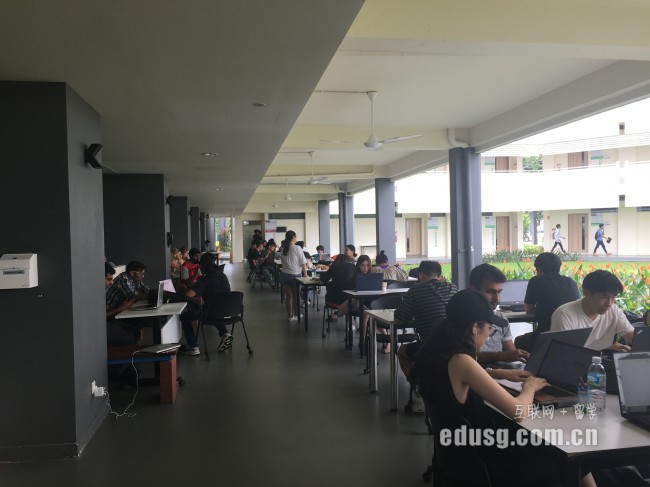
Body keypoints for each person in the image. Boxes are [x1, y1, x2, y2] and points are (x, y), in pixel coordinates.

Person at [414, 289, 596, 487]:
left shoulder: (435, 352)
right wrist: (530, 387)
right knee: (564, 452)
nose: (488, 334)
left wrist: (500, 373)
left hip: (457, 457)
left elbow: (457, 378)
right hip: (488, 461)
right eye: (489, 328)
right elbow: (519, 411)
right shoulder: (462, 361)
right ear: (475, 328)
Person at [395, 260, 457, 381]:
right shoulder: (453, 287)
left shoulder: (416, 289)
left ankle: (418, 385)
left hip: (431, 347)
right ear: (439, 275)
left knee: (401, 351)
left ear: (420, 275)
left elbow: (400, 318)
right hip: (455, 345)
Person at [550, 269, 634, 351]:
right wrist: (605, 351)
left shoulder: (613, 311)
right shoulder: (564, 314)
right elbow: (564, 354)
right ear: (586, 293)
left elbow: (632, 336)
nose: (609, 303)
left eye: (613, 297)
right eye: (604, 297)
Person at [514, 252, 581, 352]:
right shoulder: (571, 282)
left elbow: (528, 310)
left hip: (548, 336)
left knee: (518, 341)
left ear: (539, 269)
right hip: (573, 336)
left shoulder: (536, 281)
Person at [469, 264, 530, 370]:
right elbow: (463, 357)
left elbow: (512, 355)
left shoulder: (500, 318)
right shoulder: (462, 319)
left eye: (499, 292)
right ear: (474, 290)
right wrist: (500, 356)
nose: (497, 298)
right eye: (490, 292)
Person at [180, 252, 232, 355]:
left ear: (203, 266)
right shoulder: (223, 276)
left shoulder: (204, 280)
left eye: (199, 265)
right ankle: (225, 333)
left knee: (185, 316)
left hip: (211, 313)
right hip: (227, 311)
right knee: (214, 309)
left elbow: (188, 295)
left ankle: (193, 347)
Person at [104, 263, 140, 346]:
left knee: (135, 330)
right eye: (109, 279)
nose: (111, 283)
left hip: (108, 321)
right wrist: (121, 308)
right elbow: (101, 317)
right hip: (101, 325)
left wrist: (121, 307)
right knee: (128, 338)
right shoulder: (122, 279)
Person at [319, 252, 357, 322]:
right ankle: (339, 315)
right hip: (348, 298)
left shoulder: (334, 267)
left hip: (333, 298)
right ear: (347, 260)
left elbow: (325, 279)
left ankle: (337, 314)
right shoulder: (353, 267)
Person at [280, 230, 308, 322]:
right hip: (295, 276)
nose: (297, 239)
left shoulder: (283, 248)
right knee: (296, 297)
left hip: (285, 275)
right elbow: (303, 263)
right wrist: (305, 276)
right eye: (296, 237)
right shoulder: (297, 248)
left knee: (289, 297)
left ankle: (290, 316)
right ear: (293, 237)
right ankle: (297, 314)